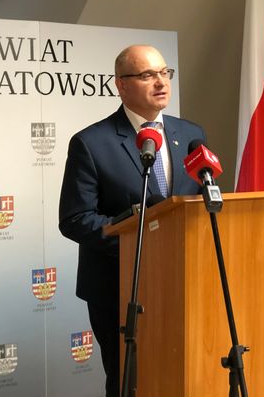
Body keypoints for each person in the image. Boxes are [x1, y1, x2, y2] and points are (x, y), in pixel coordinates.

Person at [58, 45, 206, 397]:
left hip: (184, 281)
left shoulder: (190, 135)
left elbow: (200, 203)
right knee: (129, 381)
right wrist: (136, 239)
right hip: (118, 286)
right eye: (147, 75)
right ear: (121, 85)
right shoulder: (91, 143)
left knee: (180, 374)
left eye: (164, 73)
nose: (161, 82)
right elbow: (75, 218)